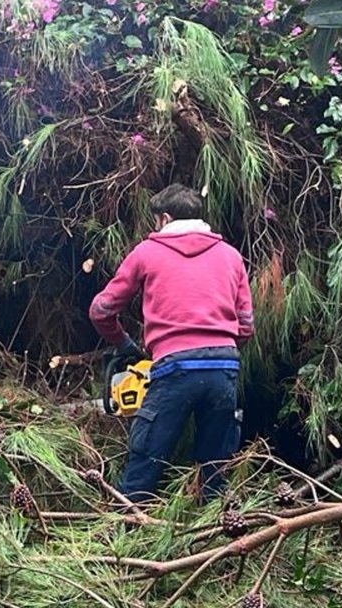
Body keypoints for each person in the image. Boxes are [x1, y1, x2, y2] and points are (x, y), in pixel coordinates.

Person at [88, 184, 254, 505]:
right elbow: (246, 324)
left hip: (174, 366)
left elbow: (101, 310)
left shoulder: (147, 252)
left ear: (164, 219)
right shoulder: (231, 256)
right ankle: (216, 528)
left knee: (145, 461)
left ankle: (127, 525)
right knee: (216, 470)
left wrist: (124, 343)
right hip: (224, 366)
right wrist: (219, 352)